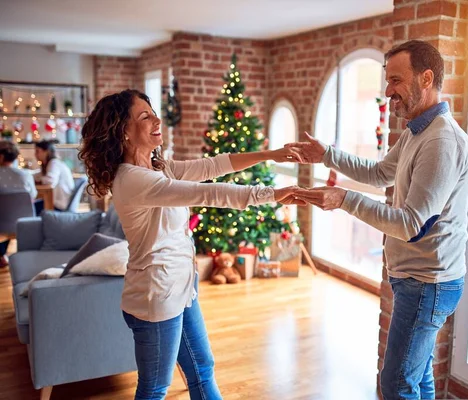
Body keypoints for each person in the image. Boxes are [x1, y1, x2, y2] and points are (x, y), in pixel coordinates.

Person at [78, 89, 303, 400]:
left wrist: (269, 154)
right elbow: (206, 193)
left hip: (181, 288)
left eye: (153, 112)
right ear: (123, 132)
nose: (157, 119)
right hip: (155, 298)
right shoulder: (132, 179)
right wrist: (272, 195)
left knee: (201, 370)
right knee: (155, 389)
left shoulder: (160, 167)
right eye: (145, 117)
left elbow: (212, 166)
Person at [289, 40, 468, 399]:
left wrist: (343, 199)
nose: (388, 91)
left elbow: (410, 224)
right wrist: (326, 154)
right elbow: (378, 174)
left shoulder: (442, 141)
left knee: (396, 384)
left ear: (427, 77)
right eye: (387, 81)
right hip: (418, 280)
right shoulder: (417, 132)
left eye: (395, 80)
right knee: (417, 380)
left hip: (428, 284)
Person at [0, 141, 37, 267]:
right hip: (25, 221)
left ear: (1, 156)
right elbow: (33, 195)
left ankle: (1, 254)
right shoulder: (25, 175)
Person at [33, 140, 74, 213]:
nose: (35, 154)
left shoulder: (54, 163)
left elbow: (50, 180)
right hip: (58, 202)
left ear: (46, 151)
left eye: (37, 151)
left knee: (29, 208)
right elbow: (38, 175)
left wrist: (37, 180)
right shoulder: (53, 163)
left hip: (59, 204)